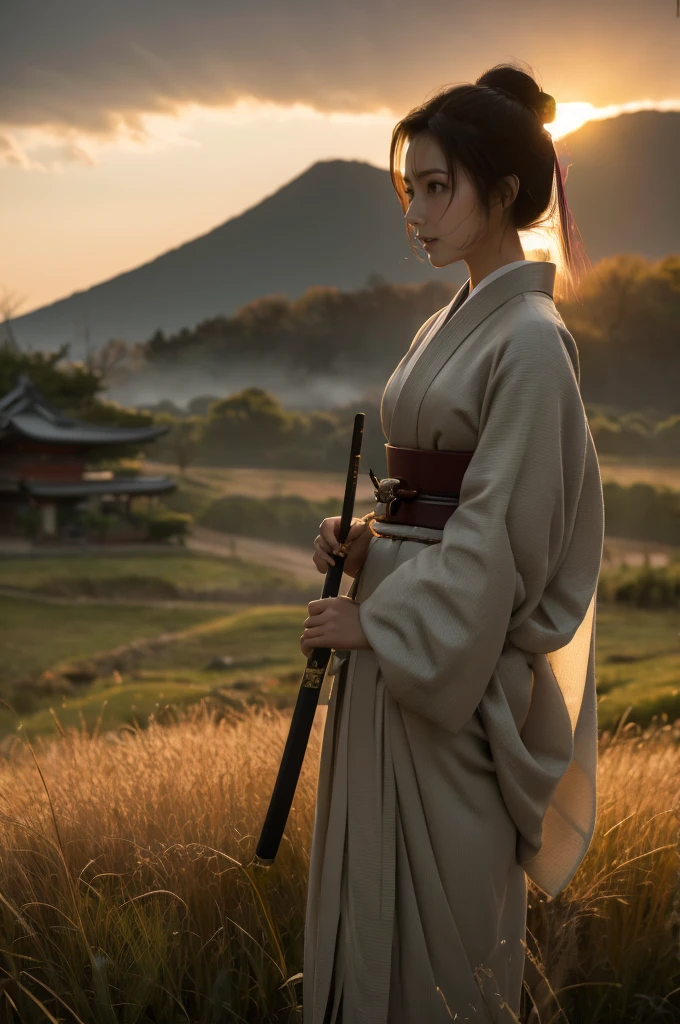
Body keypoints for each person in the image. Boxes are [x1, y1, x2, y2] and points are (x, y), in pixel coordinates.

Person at [300, 62, 604, 1024]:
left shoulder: (529, 340)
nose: (417, 212)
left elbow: (499, 542)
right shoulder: (454, 322)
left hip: (446, 675)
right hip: (404, 650)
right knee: (368, 927)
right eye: (410, 191)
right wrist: (369, 547)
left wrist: (381, 625)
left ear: (505, 192)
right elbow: (435, 511)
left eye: (438, 188)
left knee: (443, 958)